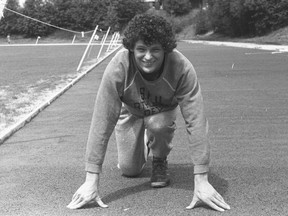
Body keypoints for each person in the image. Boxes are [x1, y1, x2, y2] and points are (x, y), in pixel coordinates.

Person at [67, 14, 230, 212]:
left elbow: (196, 121)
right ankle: (144, 141)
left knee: (157, 124)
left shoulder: (182, 68)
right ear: (132, 49)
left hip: (162, 112)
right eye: (141, 49)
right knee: (130, 170)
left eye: (155, 50)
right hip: (131, 112)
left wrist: (202, 179)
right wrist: (91, 180)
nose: (148, 56)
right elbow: (102, 119)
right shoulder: (118, 68)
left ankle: (159, 159)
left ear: (166, 49)